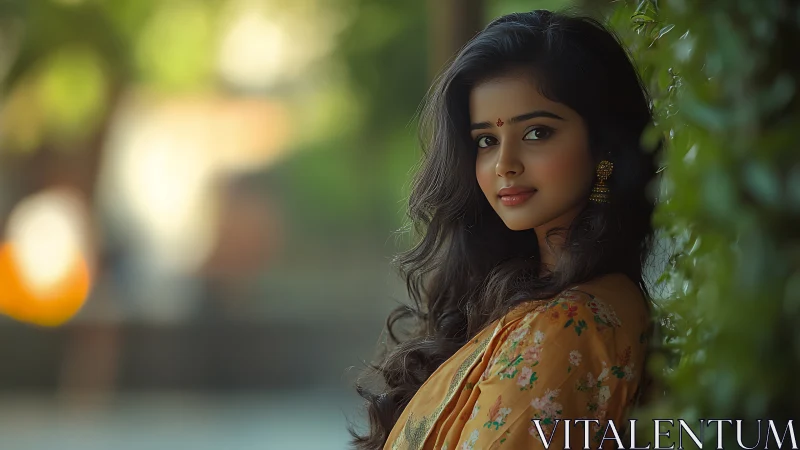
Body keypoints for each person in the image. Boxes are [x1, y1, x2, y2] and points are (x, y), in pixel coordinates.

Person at [350, 9, 661, 450]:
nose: (504, 164)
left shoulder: (567, 326)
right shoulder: (536, 300)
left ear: (604, 145)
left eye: (536, 133)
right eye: (486, 141)